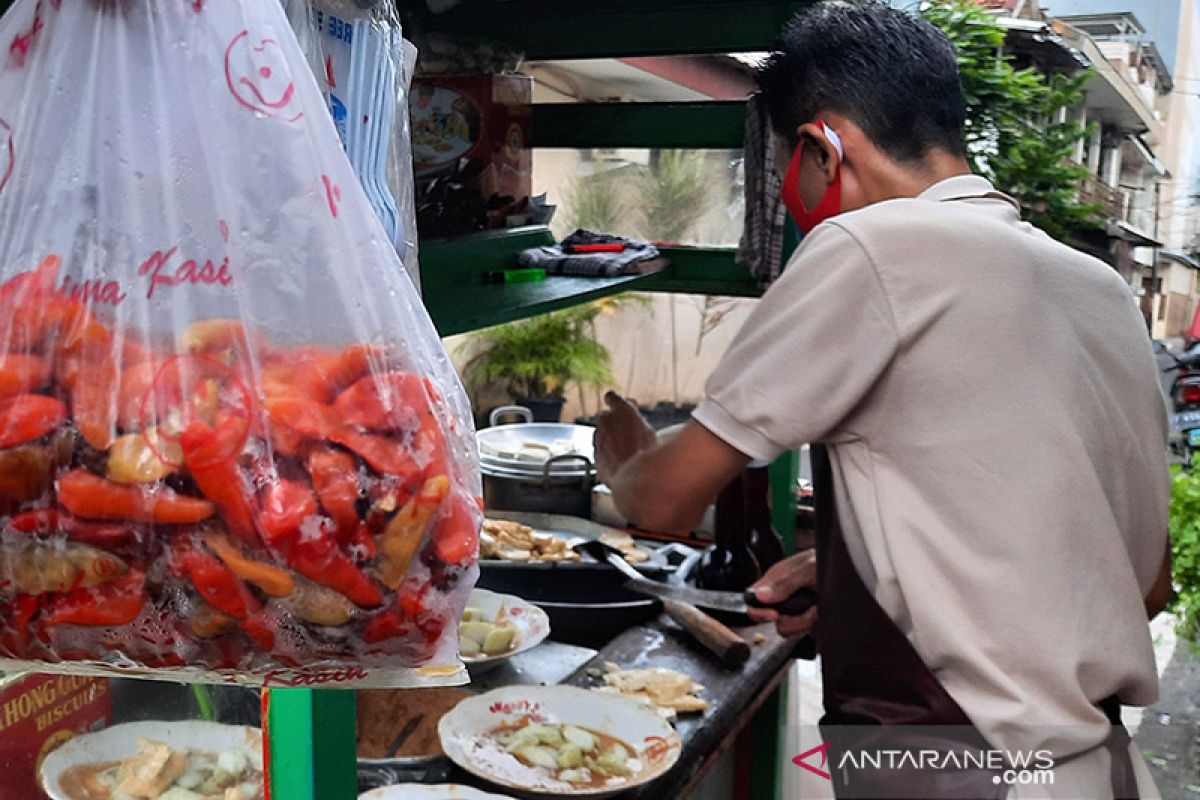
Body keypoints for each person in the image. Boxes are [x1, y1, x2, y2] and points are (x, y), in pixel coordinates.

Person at [594, 3, 1172, 798]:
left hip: (954, 770)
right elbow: (1141, 585)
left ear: (820, 147)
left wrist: (623, 453)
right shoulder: (1101, 289)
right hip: (1093, 770)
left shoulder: (873, 244)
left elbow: (662, 499)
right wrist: (865, 577)